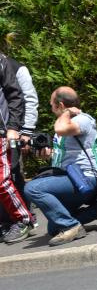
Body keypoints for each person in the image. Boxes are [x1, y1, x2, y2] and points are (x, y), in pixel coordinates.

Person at [23, 87, 97, 245]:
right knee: (54, 228)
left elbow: (60, 129)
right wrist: (50, 154)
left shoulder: (81, 120)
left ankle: (72, 226)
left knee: (32, 188)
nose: (51, 109)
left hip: (84, 179)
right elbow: (72, 153)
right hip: (75, 178)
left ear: (60, 105)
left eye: (52, 105)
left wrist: (66, 113)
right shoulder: (71, 121)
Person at [0, 53, 38, 234]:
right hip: (9, 130)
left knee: (12, 174)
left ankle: (25, 218)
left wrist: (25, 131)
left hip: (11, 131)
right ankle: (6, 222)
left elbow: (27, 99)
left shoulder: (15, 66)